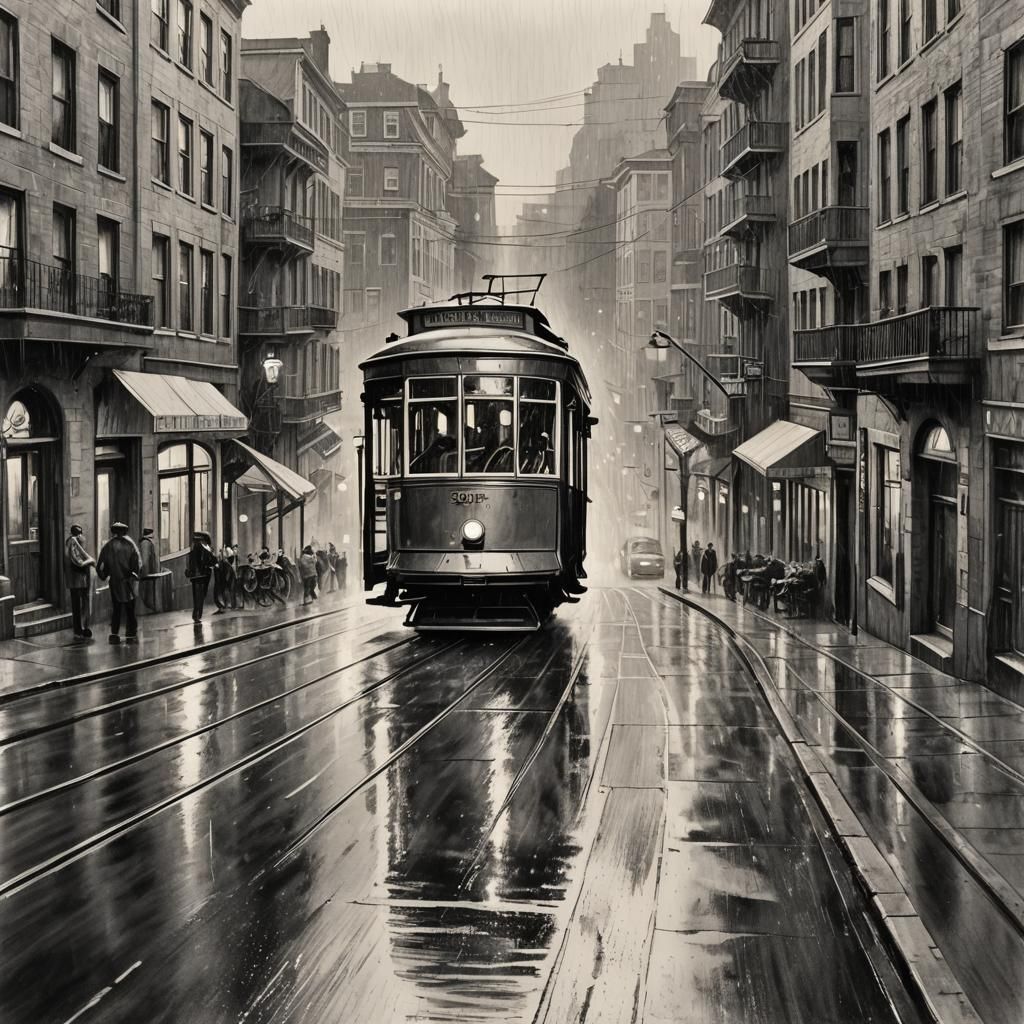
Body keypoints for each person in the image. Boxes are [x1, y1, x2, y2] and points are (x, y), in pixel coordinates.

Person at [96, 522, 141, 644]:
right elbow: (137, 564)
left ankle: (114, 633)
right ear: (124, 531)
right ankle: (131, 633)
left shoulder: (108, 545)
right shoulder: (130, 544)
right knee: (130, 608)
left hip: (115, 581)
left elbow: (99, 565)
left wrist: (103, 576)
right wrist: (134, 575)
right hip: (128, 581)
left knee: (116, 608)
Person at [65, 525, 96, 639]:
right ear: (77, 534)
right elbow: (78, 562)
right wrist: (90, 561)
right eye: (80, 533)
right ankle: (79, 630)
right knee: (78, 606)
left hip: (76, 580)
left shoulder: (70, 542)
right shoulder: (73, 541)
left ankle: (79, 629)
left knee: (78, 606)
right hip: (77, 580)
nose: (82, 536)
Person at [185, 531, 217, 623]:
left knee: (197, 596)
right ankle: (197, 615)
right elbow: (211, 561)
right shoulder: (204, 550)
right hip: (202, 575)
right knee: (201, 595)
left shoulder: (193, 550)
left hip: (196, 576)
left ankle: (196, 615)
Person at [138, 527, 160, 612]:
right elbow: (146, 559)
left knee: (148, 592)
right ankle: (150, 608)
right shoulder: (148, 543)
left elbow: (145, 559)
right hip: (149, 573)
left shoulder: (145, 543)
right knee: (148, 591)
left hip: (148, 573)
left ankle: (150, 608)